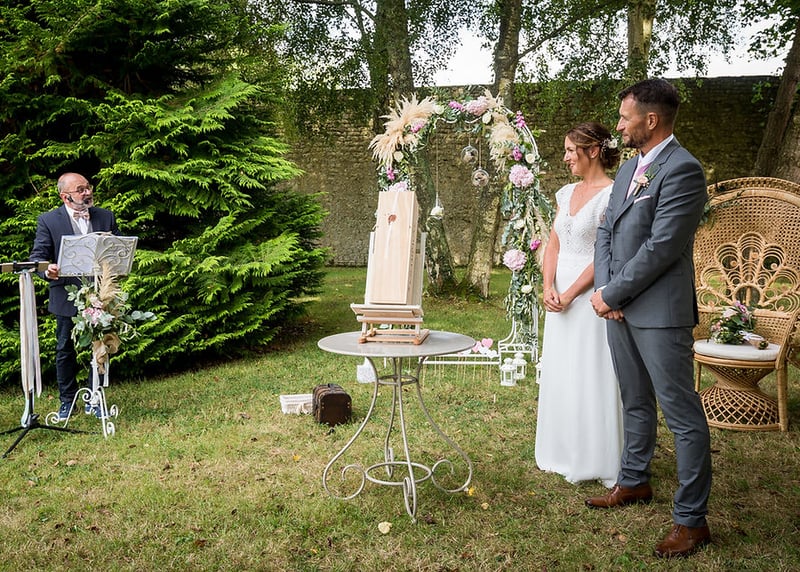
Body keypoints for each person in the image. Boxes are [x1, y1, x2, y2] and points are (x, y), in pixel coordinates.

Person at [587, 78, 712, 559]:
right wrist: (606, 291)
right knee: (634, 400)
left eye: (625, 118)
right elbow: (606, 230)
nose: (619, 126)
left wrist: (614, 291)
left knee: (682, 415)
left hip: (660, 312)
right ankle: (634, 480)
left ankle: (691, 521)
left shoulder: (683, 170)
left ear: (651, 120)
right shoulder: (628, 169)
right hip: (618, 307)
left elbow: (662, 247)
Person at [535, 122, 623, 488]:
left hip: (589, 294)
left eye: (571, 150)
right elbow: (553, 244)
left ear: (593, 151)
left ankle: (593, 455)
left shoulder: (613, 194)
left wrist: (571, 293)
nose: (566, 157)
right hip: (557, 293)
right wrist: (548, 286)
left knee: (589, 369)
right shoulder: (565, 192)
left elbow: (607, 253)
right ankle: (559, 448)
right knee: (561, 368)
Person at [29, 172, 120, 422]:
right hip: (66, 294)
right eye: (80, 190)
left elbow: (117, 250)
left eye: (88, 187)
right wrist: (47, 270)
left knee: (101, 347)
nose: (87, 192)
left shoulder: (105, 216)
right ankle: (67, 402)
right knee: (64, 349)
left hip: (100, 293)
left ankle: (95, 398)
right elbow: (38, 258)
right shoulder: (48, 220)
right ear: (65, 196)